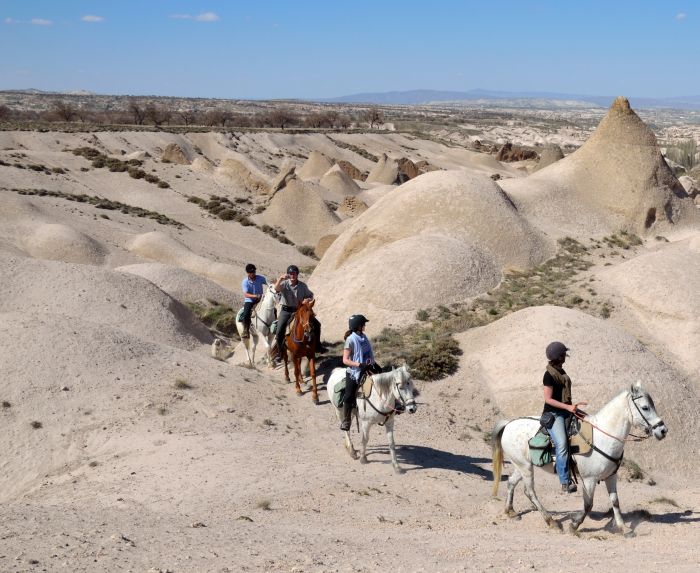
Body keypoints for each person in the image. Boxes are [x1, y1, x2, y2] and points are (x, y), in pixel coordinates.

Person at [542, 341, 588, 493]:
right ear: (558, 357)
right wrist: (568, 407)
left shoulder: (560, 371)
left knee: (590, 423)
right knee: (562, 444)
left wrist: (571, 406)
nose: (565, 357)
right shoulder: (549, 375)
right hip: (554, 414)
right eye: (563, 355)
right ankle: (564, 482)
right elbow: (548, 399)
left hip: (566, 410)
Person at [273, 265, 325, 360]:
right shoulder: (284, 284)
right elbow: (276, 289)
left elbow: (311, 295)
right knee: (279, 330)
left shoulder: (302, 286)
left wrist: (307, 299)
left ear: (297, 275)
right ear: (288, 275)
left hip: (299, 310)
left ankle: (318, 346)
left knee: (317, 324)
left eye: (294, 274)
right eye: (291, 274)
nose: (292, 276)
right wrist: (280, 279)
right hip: (286, 311)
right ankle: (280, 353)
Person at [340, 314, 381, 431]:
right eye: (363, 324)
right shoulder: (350, 340)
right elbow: (345, 360)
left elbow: (368, 353)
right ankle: (346, 420)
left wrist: (373, 363)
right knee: (348, 396)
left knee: (383, 380)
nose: (365, 326)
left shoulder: (364, 337)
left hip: (368, 367)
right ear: (358, 326)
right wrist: (359, 364)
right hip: (355, 372)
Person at [240, 263, 267, 339]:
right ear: (248, 273)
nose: (253, 273)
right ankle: (246, 330)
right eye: (251, 272)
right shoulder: (245, 282)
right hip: (250, 300)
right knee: (246, 314)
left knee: (271, 308)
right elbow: (246, 294)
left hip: (260, 299)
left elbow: (268, 283)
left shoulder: (260, 278)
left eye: (254, 271)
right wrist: (255, 296)